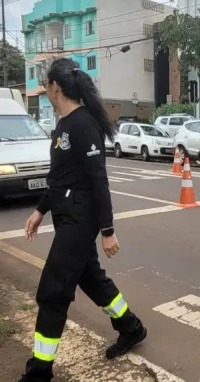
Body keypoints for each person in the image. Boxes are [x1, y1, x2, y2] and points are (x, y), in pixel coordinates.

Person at [19, 58, 147, 382]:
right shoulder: (63, 125)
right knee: (90, 278)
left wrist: (108, 230)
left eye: (45, 84)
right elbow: (59, 178)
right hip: (66, 215)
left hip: (80, 218)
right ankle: (131, 327)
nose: (45, 89)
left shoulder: (84, 125)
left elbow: (98, 179)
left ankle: (39, 372)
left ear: (55, 87)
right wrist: (40, 210)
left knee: (52, 291)